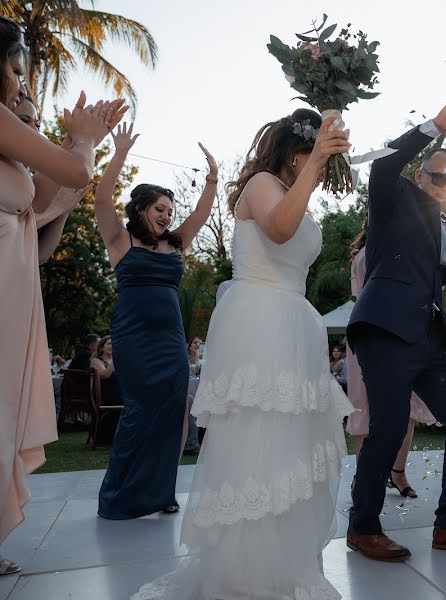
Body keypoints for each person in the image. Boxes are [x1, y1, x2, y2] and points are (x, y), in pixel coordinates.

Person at [132, 109, 353, 600]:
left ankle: (282, 562)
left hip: (294, 319)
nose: (312, 168)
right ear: (296, 154)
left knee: (289, 442)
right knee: (260, 441)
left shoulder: (297, 190)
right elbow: (277, 230)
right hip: (262, 320)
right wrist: (318, 161)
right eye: (308, 156)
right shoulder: (260, 184)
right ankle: (246, 573)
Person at [346, 96, 446, 562]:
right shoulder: (393, 200)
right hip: (384, 329)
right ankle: (363, 527)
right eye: (437, 175)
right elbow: (383, 167)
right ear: (421, 177)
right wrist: (434, 126)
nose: (445, 184)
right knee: (390, 426)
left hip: (431, 339)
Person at [0, 16, 125, 576]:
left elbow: (47, 196)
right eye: (16, 69)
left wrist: (84, 141)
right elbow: (73, 166)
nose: (21, 83)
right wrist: (82, 141)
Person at [93, 122, 217, 519]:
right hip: (133, 340)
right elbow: (99, 197)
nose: (166, 216)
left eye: (169, 210)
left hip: (171, 342)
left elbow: (201, 213)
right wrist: (120, 154)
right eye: (159, 209)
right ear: (140, 209)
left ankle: (163, 492)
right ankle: (119, 497)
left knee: (173, 413)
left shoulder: (174, 244)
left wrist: (212, 178)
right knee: (138, 412)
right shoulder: (119, 240)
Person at [346, 224, 437, 499]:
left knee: (406, 407)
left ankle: (397, 472)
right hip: (368, 331)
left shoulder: (409, 248)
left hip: (403, 332)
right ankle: (365, 477)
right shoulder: (364, 254)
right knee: (364, 407)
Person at [15, 95, 90, 264]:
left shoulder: (24, 175)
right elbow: (10, 233)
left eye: (37, 124)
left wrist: (63, 212)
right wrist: (82, 141)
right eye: (24, 120)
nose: (34, 130)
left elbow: (39, 256)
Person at [183, 337, 203, 455]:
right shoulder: (183, 360)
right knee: (190, 400)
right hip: (187, 393)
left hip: (200, 393)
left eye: (200, 343)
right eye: (195, 342)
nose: (198, 345)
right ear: (189, 346)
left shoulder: (204, 362)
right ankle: (192, 443)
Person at [90, 336, 122, 407]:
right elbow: (104, 375)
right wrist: (115, 358)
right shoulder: (96, 360)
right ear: (101, 348)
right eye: (110, 343)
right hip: (107, 397)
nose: (113, 346)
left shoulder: (119, 361)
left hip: (121, 396)